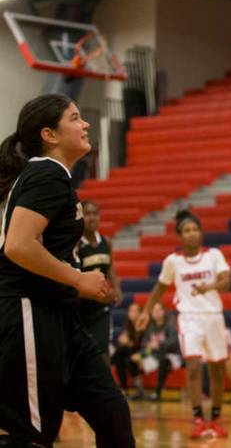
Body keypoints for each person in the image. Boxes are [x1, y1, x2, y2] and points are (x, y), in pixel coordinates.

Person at [0, 94, 134, 447]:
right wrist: (78, 278)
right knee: (31, 436)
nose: (85, 123)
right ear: (50, 134)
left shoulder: (55, 178)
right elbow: (17, 245)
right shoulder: (44, 173)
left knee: (113, 413)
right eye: (75, 118)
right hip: (29, 311)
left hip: (62, 317)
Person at [138, 210, 231, 439]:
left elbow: (226, 281)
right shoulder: (173, 261)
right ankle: (199, 418)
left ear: (201, 233)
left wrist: (208, 288)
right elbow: (160, 288)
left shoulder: (214, 255)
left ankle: (216, 418)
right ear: (180, 236)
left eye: (195, 229)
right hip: (189, 318)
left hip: (213, 316)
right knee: (192, 366)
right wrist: (146, 311)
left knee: (218, 370)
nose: (192, 234)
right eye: (187, 230)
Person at [76, 200, 122, 360]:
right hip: (82, 305)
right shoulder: (77, 244)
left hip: (101, 306)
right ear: (81, 217)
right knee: (83, 352)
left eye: (95, 213)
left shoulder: (106, 242)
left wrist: (116, 288)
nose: (91, 218)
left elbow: (110, 267)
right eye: (87, 214)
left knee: (103, 351)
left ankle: (106, 385)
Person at [140, 302, 180, 401]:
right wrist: (144, 354)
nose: (156, 312)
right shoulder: (150, 327)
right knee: (132, 359)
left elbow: (173, 342)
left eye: (159, 310)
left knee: (163, 360)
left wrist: (158, 345)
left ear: (163, 312)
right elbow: (145, 345)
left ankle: (157, 392)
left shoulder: (170, 325)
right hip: (154, 356)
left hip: (171, 355)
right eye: (154, 310)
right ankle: (139, 391)